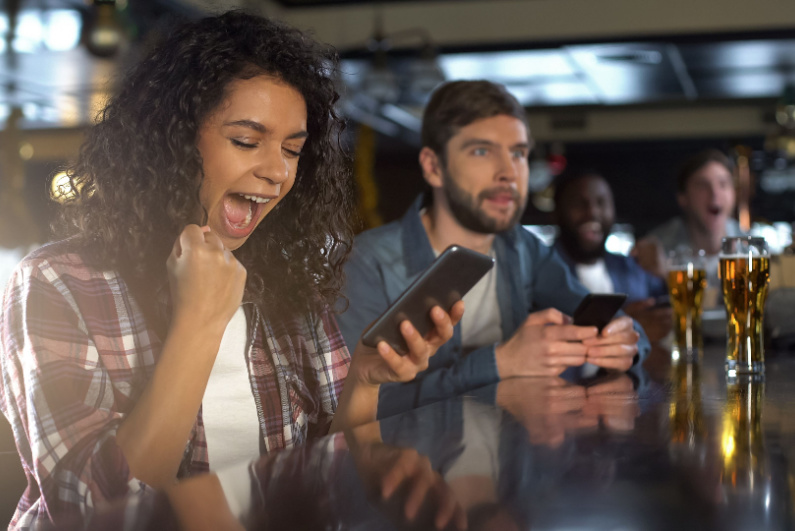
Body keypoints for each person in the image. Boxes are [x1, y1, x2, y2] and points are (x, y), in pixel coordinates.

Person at [0, 12, 462, 528]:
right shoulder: (56, 282)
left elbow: (325, 479)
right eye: (246, 141)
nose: (277, 170)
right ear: (171, 142)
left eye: (293, 149)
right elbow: (90, 508)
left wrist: (366, 383)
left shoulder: (290, 283)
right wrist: (199, 320)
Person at [338, 80, 645, 419]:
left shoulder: (521, 248)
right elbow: (351, 410)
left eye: (519, 153)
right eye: (482, 151)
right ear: (433, 167)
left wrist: (626, 344)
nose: (509, 173)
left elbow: (618, 324)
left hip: (513, 465)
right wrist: (500, 362)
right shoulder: (367, 263)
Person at [553, 169, 672, 343]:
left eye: (601, 203)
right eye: (579, 203)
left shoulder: (631, 268)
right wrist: (626, 326)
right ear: (558, 213)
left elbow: (676, 309)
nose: (592, 212)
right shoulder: (541, 272)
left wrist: (663, 273)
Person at [633, 149, 742, 302]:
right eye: (702, 185)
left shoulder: (751, 248)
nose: (714, 193)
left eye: (723, 184)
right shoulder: (657, 248)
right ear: (683, 198)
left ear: (734, 194)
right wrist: (663, 274)